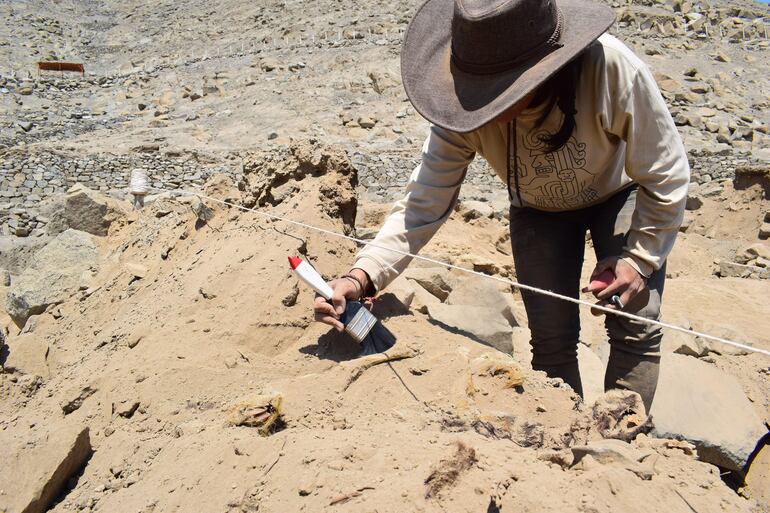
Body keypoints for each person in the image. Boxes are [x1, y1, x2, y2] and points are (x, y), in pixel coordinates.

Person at [314, 0, 689, 411]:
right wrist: (360, 277)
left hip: (621, 193)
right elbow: (422, 202)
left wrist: (638, 260)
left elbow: (666, 172)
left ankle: (623, 444)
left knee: (635, 320)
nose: (483, 104)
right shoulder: (461, 104)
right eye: (480, 90)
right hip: (537, 212)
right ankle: (563, 437)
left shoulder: (612, 69)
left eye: (499, 92)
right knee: (550, 339)